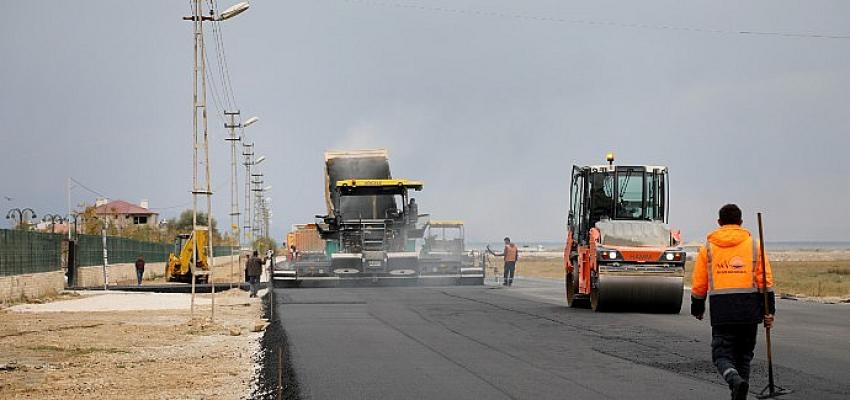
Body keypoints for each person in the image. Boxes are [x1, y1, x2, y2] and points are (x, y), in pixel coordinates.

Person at [691, 204, 775, 400]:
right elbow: (765, 281)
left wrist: (698, 307)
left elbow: (699, 282)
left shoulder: (708, 247)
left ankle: (735, 382)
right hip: (749, 310)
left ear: (719, 223)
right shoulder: (754, 245)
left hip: (723, 311)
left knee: (721, 355)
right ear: (741, 222)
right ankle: (739, 393)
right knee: (744, 356)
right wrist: (769, 311)